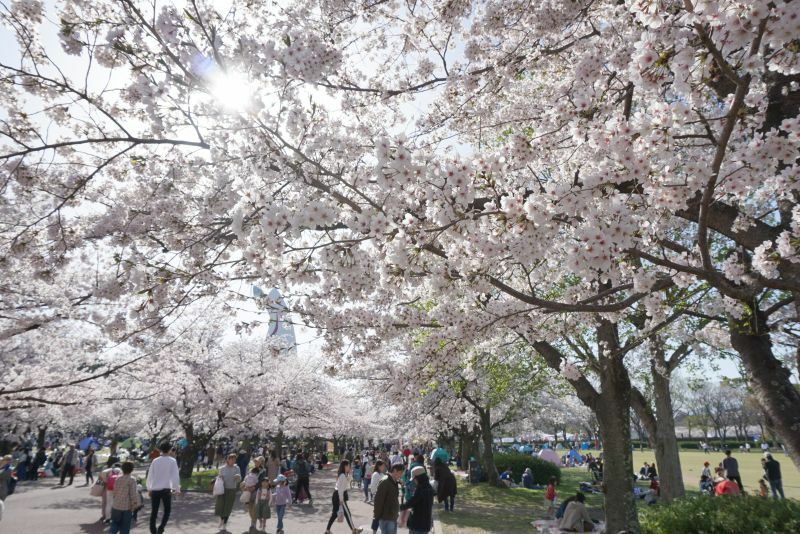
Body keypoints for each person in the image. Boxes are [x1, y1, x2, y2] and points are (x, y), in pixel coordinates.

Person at [147, 442, 181, 534]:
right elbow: (175, 476)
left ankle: (153, 531)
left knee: (154, 512)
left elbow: (150, 475)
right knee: (167, 511)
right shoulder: (172, 461)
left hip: (155, 489)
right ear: (170, 450)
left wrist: (149, 488)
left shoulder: (155, 461)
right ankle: (161, 529)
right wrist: (176, 489)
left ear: (161, 450)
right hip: (166, 489)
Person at [325, 460, 358, 534]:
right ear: (345, 466)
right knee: (347, 513)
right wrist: (341, 500)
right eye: (349, 466)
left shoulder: (344, 474)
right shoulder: (342, 475)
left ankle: (327, 530)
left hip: (338, 495)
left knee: (335, 514)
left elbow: (348, 483)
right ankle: (354, 530)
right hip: (339, 496)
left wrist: (350, 474)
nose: (350, 467)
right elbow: (340, 489)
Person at [400, 465, 435, 534]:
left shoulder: (421, 489)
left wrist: (401, 506)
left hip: (417, 523)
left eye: (414, 479)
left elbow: (412, 502)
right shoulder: (429, 488)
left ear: (419, 478)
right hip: (426, 523)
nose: (414, 481)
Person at [373, 463, 404, 534]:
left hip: (392, 516)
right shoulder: (385, 482)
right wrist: (376, 517)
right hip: (386, 518)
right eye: (400, 473)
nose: (401, 475)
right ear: (395, 471)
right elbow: (378, 501)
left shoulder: (394, 481)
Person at [110, 462, 138, 534]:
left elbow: (114, 492)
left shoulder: (118, 478)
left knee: (114, 524)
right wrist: (134, 505)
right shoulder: (132, 479)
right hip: (127, 507)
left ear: (122, 469)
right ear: (132, 470)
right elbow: (133, 494)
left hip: (116, 505)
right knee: (125, 527)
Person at [215, 453, 241, 531]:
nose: (233, 461)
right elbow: (219, 478)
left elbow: (239, 479)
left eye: (234, 459)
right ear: (228, 460)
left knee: (228, 507)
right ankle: (222, 519)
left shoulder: (237, 468)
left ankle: (225, 524)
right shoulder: (222, 468)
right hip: (222, 489)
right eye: (231, 459)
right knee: (220, 506)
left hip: (232, 489)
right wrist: (220, 477)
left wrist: (238, 477)